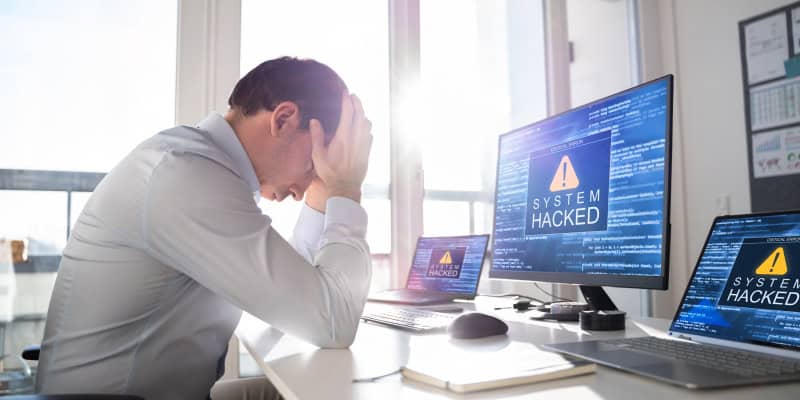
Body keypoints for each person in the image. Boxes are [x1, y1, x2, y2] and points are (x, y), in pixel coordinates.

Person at [36, 57, 373, 399]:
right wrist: (346, 187)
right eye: (312, 164)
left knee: (306, 392)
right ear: (283, 119)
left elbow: (294, 300)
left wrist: (322, 189)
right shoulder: (185, 176)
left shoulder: (199, 166)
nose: (302, 190)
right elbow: (333, 323)